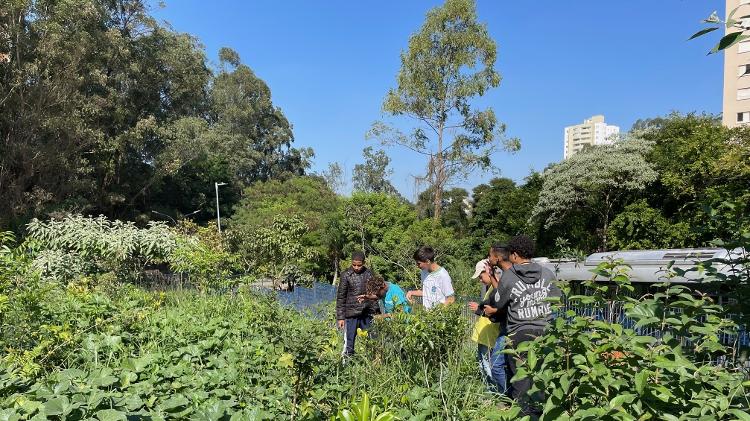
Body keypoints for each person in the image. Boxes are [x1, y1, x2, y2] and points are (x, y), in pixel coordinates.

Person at [494, 235, 561, 414]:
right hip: (544, 332)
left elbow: (499, 303)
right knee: (541, 376)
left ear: (515, 255)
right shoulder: (547, 273)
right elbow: (556, 298)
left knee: (521, 379)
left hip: (518, 333)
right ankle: (543, 414)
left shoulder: (509, 275)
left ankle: (524, 416)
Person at [336, 251, 377, 357]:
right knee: (349, 342)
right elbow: (341, 297)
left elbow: (374, 295)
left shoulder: (369, 274)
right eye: (354, 264)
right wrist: (340, 317)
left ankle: (373, 363)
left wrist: (376, 313)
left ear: (363, 263)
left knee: (372, 340)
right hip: (351, 314)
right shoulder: (346, 275)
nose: (356, 267)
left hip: (367, 313)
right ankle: (347, 365)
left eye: (359, 265)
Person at [468, 258, 501, 390]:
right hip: (485, 337)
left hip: (490, 337)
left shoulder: (496, 288)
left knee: (489, 366)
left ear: (488, 272)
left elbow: (493, 311)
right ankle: (491, 391)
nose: (480, 281)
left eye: (481, 277)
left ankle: (494, 392)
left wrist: (478, 309)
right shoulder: (491, 288)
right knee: (484, 365)